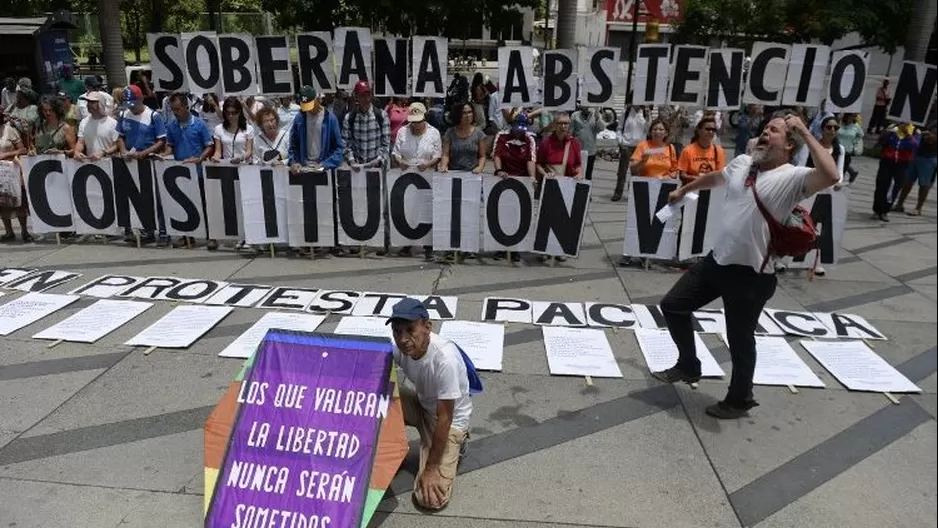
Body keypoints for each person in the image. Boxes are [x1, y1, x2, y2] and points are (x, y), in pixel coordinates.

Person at [653, 112, 840, 419]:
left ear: (789, 145)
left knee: (740, 339)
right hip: (717, 261)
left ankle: (740, 399)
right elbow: (716, 177)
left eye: (776, 131)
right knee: (673, 305)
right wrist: (684, 190)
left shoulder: (793, 178)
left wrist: (805, 131)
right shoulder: (742, 163)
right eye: (765, 128)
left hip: (751, 275)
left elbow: (831, 176)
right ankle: (688, 364)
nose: (766, 132)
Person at [386, 298, 476, 511]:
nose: (403, 339)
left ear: (427, 327)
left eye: (410, 330)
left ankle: (457, 446)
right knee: (379, 396)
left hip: (447, 422)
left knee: (430, 499)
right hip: (422, 405)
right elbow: (370, 356)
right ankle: (384, 452)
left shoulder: (445, 360)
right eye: (397, 331)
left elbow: (445, 417)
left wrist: (431, 468)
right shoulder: (401, 346)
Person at [163, 92, 215, 248]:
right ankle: (187, 235)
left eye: (178, 109)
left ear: (186, 107)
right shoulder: (172, 125)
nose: (176, 112)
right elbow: (170, 145)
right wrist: (163, 156)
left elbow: (209, 145)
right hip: (180, 172)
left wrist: (200, 158)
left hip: (198, 171)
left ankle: (211, 235)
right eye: (173, 110)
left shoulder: (199, 124)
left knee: (204, 205)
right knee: (184, 205)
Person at [117, 84, 168, 245]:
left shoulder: (153, 116)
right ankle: (147, 230)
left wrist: (143, 153)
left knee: (156, 198)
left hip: (147, 160)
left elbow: (161, 141)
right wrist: (123, 150)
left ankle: (163, 232)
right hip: (131, 161)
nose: (131, 108)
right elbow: (120, 136)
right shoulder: (124, 114)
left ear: (141, 99)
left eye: (133, 104)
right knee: (139, 198)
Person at [287, 85, 344, 172]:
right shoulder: (299, 118)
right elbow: (293, 145)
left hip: (324, 170)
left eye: (311, 105)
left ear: (317, 99)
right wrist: (294, 162)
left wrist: (325, 164)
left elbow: (339, 148)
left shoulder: (330, 119)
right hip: (304, 168)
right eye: (306, 106)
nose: (309, 110)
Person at [872, 122, 919, 222]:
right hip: (887, 162)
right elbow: (884, 141)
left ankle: (885, 211)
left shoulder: (914, 132)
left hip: (901, 164)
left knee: (895, 187)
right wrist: (888, 133)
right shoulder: (893, 128)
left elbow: (915, 145)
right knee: (881, 185)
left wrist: (907, 135)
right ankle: (877, 210)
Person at [342, 81, 390, 172]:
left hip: (377, 168)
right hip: (356, 169)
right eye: (363, 96)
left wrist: (378, 160)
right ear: (356, 97)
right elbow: (345, 144)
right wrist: (351, 161)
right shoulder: (349, 118)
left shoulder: (382, 115)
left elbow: (386, 144)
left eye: (368, 95)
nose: (367, 99)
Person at [892, 128, 937, 217]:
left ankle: (918, 208)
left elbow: (932, 139)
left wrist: (923, 135)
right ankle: (899, 205)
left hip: (929, 158)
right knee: (907, 181)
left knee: (924, 184)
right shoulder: (933, 121)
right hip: (916, 155)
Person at [0, 116, 31, 243]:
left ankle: (25, 231)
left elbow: (23, 149)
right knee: (1, 202)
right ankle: (9, 232)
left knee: (19, 201)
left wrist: (6, 155)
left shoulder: (9, 130)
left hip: (12, 171)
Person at [677, 115, 726, 184]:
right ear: (699, 131)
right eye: (707, 129)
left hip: (711, 189)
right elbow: (682, 175)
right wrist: (698, 179)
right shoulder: (687, 150)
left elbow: (720, 175)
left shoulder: (719, 151)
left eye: (713, 130)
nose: (711, 132)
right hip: (692, 188)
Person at [612, 105, 647, 201]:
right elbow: (619, 128)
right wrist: (620, 142)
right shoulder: (627, 111)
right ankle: (618, 193)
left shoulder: (644, 112)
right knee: (622, 172)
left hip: (639, 147)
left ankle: (633, 194)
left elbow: (648, 130)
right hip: (626, 145)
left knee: (636, 172)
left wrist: (648, 115)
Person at [74, 91, 120, 161]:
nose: (88, 105)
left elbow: (116, 145)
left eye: (92, 102)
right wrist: (77, 152)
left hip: (109, 164)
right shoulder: (84, 122)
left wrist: (103, 152)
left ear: (100, 104)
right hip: (91, 164)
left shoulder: (113, 123)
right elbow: (80, 142)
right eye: (88, 102)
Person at [211, 96, 254, 164]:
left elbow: (249, 151)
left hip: (244, 165)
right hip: (227, 166)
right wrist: (215, 157)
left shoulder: (249, 129)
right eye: (228, 113)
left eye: (234, 113)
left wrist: (241, 157)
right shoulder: (218, 129)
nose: (230, 116)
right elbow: (218, 151)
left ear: (239, 112)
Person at [571, 105, 606, 181]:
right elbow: (570, 132)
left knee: (588, 175)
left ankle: (586, 191)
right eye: (585, 105)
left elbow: (601, 128)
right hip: (577, 151)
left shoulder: (596, 115)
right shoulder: (575, 115)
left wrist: (597, 119)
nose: (586, 107)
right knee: (576, 173)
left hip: (590, 151)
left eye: (588, 105)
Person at [837, 113, 864, 184]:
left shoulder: (856, 126)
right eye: (850, 116)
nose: (851, 118)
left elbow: (861, 135)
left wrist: (854, 142)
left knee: (840, 174)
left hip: (847, 152)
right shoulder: (840, 123)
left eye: (853, 117)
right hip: (836, 150)